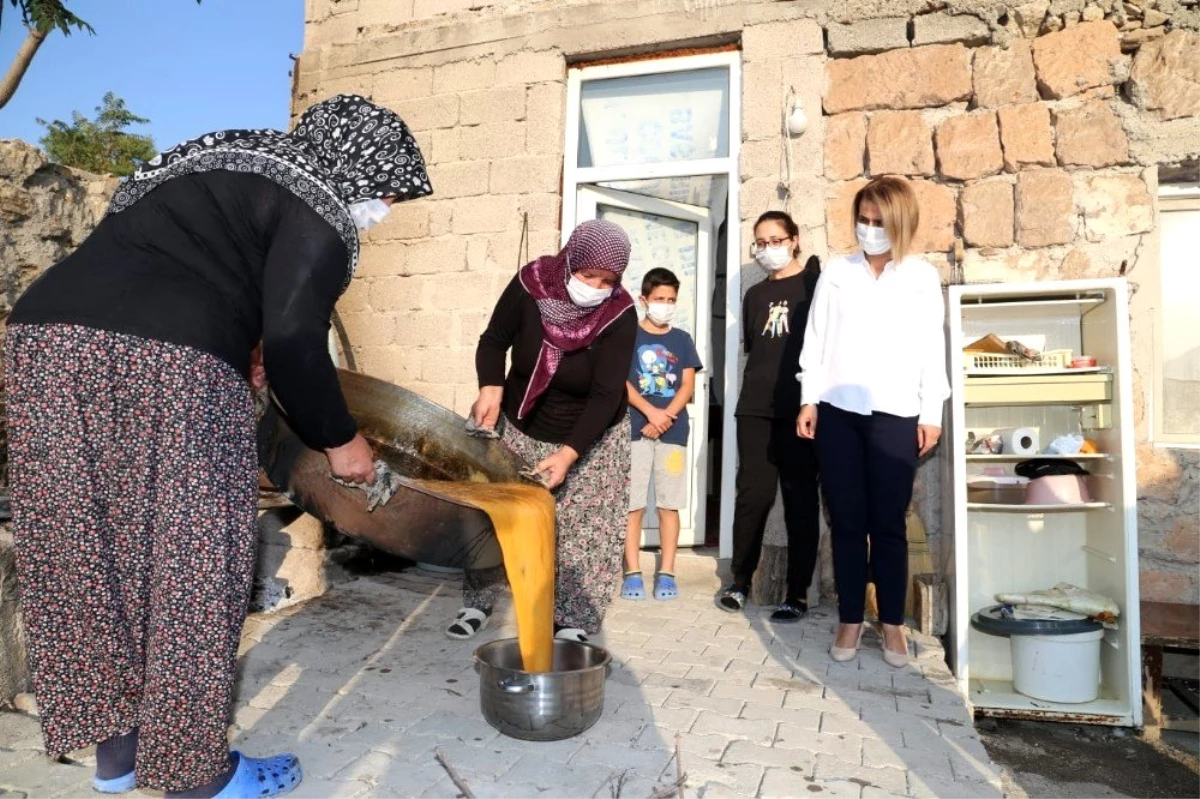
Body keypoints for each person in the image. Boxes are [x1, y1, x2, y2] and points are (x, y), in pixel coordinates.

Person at [3, 95, 431, 798]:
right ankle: (196, 774)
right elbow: (297, 343)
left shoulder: (213, 157)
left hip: (46, 341)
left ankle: (119, 759)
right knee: (195, 559)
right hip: (172, 363)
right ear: (356, 162)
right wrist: (343, 442)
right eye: (384, 192)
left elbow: (176, 261)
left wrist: (245, 339)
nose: (380, 209)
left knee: (85, 550)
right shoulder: (318, 195)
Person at [445, 219, 638, 643]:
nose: (595, 286)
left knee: (582, 527)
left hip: (591, 434)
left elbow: (606, 395)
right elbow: (494, 340)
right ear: (570, 259)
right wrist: (490, 388)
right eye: (588, 275)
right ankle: (477, 601)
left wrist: (569, 454)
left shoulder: (619, 313)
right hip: (519, 419)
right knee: (494, 514)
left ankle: (572, 620)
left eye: (608, 280)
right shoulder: (531, 285)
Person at [796, 176, 950, 668]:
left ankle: (892, 626)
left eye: (878, 222)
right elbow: (816, 340)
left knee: (888, 524)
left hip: (896, 414)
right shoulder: (836, 273)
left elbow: (932, 349)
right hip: (838, 411)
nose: (868, 229)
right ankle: (848, 619)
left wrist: (932, 412)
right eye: (862, 220)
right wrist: (808, 400)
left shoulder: (921, 277)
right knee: (845, 521)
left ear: (900, 222)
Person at [718, 211, 821, 623]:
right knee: (753, 496)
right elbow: (754, 349)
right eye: (760, 243)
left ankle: (796, 594)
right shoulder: (754, 295)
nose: (767, 249)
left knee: (799, 499)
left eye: (775, 240)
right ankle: (740, 581)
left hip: (802, 408)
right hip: (755, 407)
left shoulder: (815, 287)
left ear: (795, 239)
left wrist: (812, 403)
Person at [620, 268, 703, 602]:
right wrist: (650, 413)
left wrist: (665, 416)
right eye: (659, 299)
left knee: (669, 504)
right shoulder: (629, 336)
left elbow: (687, 385)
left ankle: (667, 571)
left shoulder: (682, 339)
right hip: (635, 430)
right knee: (633, 504)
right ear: (644, 300)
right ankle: (632, 572)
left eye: (671, 300)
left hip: (671, 433)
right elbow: (621, 382)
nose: (665, 305)